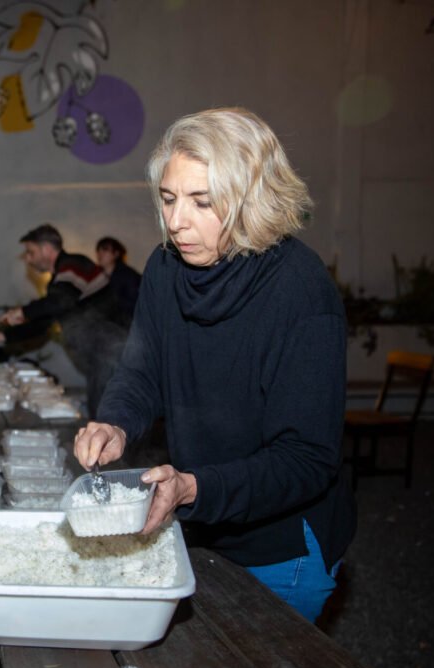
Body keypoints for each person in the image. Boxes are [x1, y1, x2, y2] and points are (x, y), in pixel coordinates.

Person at [73, 108, 356, 623]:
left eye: (202, 202)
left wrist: (195, 487)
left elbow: (306, 459)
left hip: (280, 547)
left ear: (254, 199)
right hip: (201, 521)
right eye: (169, 198)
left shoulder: (301, 293)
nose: (177, 221)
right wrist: (115, 419)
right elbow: (143, 369)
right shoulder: (165, 267)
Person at [0, 224, 127, 416]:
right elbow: (43, 324)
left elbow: (60, 302)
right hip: (101, 356)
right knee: (101, 419)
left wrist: (23, 311)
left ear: (46, 249)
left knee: (108, 421)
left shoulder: (73, 264)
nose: (28, 259)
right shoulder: (60, 281)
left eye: (31, 252)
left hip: (112, 352)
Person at [95, 236, 142, 327]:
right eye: (98, 250)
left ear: (116, 254)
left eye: (105, 249)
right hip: (107, 329)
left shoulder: (129, 276)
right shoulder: (97, 277)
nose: (100, 253)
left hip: (126, 329)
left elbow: (136, 305)